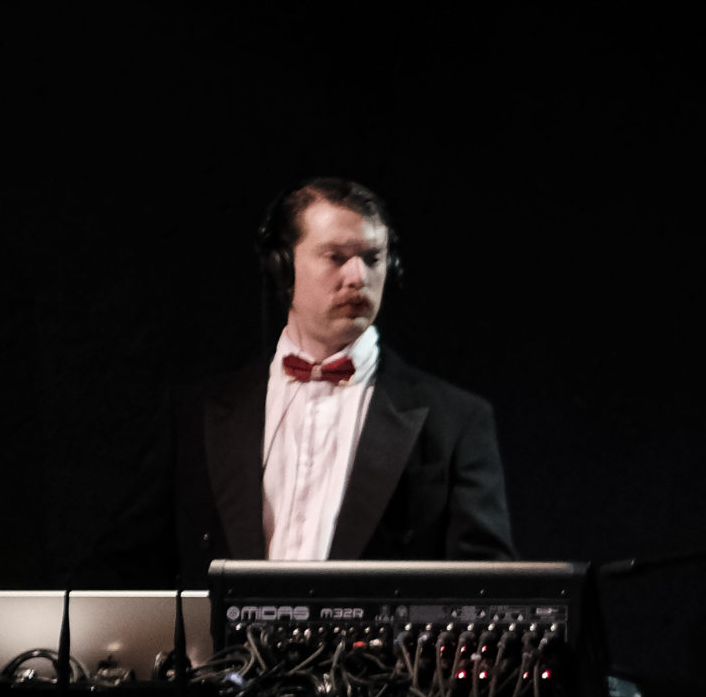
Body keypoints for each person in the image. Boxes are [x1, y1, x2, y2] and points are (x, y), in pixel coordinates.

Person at [86, 176, 514, 582]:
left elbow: (487, 591)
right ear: (283, 267)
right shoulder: (195, 415)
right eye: (336, 257)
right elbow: (122, 571)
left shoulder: (456, 420)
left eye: (373, 258)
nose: (358, 277)